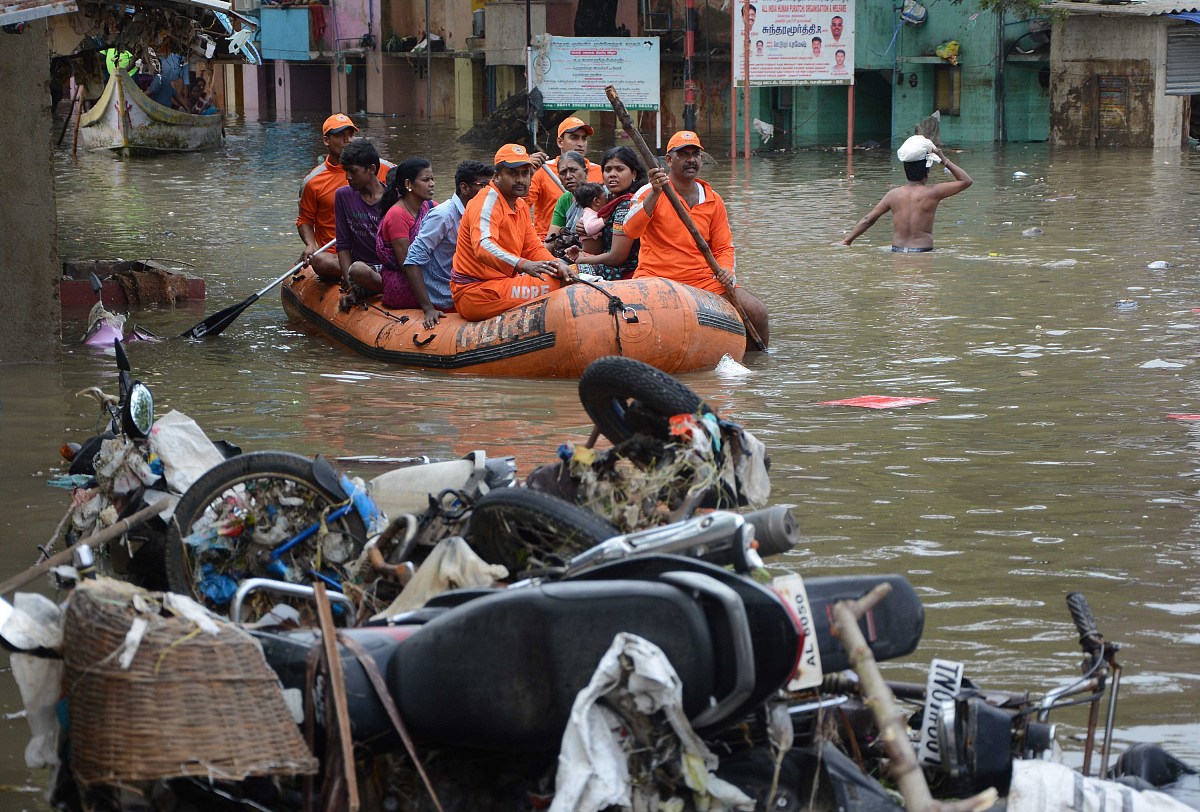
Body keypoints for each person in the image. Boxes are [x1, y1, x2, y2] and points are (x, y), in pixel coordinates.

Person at [622, 131, 769, 347]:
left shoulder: (713, 199)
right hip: (657, 278)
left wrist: (727, 272)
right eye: (683, 154)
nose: (691, 159)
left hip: (704, 281)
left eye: (695, 154)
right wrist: (655, 193)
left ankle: (756, 364)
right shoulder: (648, 191)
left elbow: (724, 247)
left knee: (757, 312)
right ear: (669, 160)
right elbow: (630, 230)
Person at [450, 144, 576, 322]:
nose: (521, 180)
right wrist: (524, 265)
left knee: (566, 272)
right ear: (497, 176)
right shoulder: (486, 202)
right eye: (513, 174)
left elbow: (532, 247)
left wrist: (556, 263)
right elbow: (483, 246)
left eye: (525, 173)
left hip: (499, 284)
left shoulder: (520, 205)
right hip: (478, 293)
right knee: (560, 283)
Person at [296, 113, 392, 282]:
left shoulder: (383, 168)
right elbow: (305, 219)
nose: (347, 140)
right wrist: (310, 245)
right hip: (337, 254)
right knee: (321, 261)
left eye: (350, 135)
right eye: (340, 135)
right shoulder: (313, 182)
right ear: (327, 140)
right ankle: (361, 276)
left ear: (371, 170)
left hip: (378, 249)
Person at [344, 158, 442, 321]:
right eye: (425, 180)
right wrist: (428, 308)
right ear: (409, 184)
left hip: (427, 274)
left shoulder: (430, 206)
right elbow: (407, 265)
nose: (431, 184)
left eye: (432, 179)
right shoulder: (397, 215)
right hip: (404, 281)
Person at [403, 160, 495, 327]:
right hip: (446, 295)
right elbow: (412, 260)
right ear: (465, 188)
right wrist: (428, 308)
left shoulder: (484, 213)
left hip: (474, 286)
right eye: (483, 186)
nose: (490, 192)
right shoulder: (443, 215)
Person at [842, 135, 973, 252]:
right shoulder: (933, 193)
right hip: (922, 252)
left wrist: (847, 241)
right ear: (927, 170)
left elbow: (868, 219)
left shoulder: (893, 195)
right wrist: (943, 159)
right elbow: (966, 181)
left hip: (897, 251)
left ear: (905, 170)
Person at [565, 146, 647, 282]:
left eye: (619, 169)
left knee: (567, 272)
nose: (612, 174)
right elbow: (598, 249)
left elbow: (617, 257)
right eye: (607, 170)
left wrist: (583, 260)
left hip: (626, 271)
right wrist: (586, 233)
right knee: (561, 266)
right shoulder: (610, 202)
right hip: (612, 265)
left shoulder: (627, 205)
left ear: (634, 174)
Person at [333, 140, 389, 309]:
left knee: (358, 271)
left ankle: (390, 288)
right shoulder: (343, 196)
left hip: (388, 268)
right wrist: (350, 287)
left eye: (353, 171)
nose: (347, 177)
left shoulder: (393, 198)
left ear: (371, 169)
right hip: (362, 268)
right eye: (346, 171)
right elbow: (343, 244)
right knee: (355, 269)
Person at [527, 117, 603, 238]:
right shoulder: (542, 170)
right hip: (547, 238)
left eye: (584, 138)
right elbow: (521, 205)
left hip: (590, 238)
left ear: (585, 172)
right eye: (574, 137)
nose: (580, 143)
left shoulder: (601, 171)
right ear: (560, 142)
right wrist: (526, 173)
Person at [543, 151, 589, 246]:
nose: (568, 176)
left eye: (573, 170)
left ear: (586, 172)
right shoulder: (564, 200)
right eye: (563, 172)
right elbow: (551, 240)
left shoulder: (599, 196)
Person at [146, 43, 188, 110]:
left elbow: (176, 95)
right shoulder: (163, 79)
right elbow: (150, 92)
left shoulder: (164, 80)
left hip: (161, 110)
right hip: (161, 110)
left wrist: (186, 108)